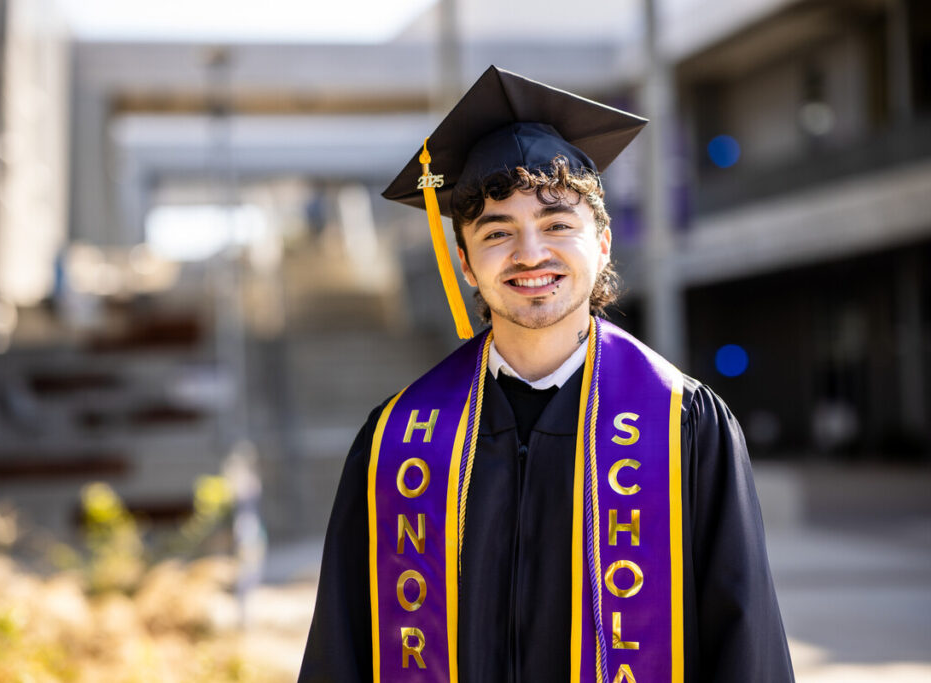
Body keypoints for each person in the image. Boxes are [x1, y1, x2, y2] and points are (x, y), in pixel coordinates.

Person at [299, 66, 794, 683]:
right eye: (497, 233)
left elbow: (745, 647)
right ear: (467, 263)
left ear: (604, 242)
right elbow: (342, 649)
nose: (530, 254)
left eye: (558, 225)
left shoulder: (684, 426)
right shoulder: (397, 440)